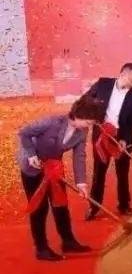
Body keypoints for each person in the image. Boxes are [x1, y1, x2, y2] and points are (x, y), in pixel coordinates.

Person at [17, 95, 105, 261]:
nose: (89, 126)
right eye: (89, 122)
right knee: (39, 207)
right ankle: (41, 248)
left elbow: (79, 156)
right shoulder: (51, 122)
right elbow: (24, 133)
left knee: (60, 204)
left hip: (53, 167)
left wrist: (81, 183)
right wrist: (31, 154)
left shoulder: (81, 132)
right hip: (33, 167)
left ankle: (68, 242)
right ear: (79, 115)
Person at [83, 62, 132, 220]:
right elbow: (86, 100)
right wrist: (91, 115)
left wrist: (124, 139)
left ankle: (124, 205)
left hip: (121, 136)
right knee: (99, 171)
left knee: (122, 173)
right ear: (122, 74)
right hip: (102, 135)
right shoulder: (103, 84)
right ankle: (94, 206)